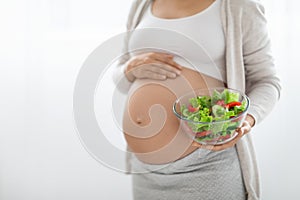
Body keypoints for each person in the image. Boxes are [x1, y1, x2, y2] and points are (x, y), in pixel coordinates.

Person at [113, 0, 281, 199]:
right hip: (145, 172)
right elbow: (121, 78)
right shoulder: (143, 4)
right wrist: (129, 69)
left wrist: (247, 119)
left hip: (207, 164)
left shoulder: (239, 6)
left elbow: (267, 81)